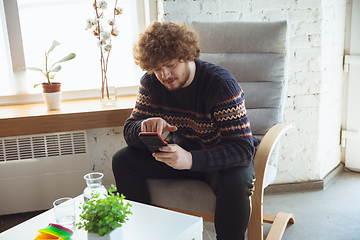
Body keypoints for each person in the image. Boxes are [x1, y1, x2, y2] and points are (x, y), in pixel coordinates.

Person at [112, 21, 258, 240]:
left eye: (170, 65)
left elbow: (243, 150)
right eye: (157, 68)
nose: (164, 74)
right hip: (179, 154)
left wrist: (191, 159)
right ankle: (143, 233)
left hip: (219, 160)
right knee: (123, 159)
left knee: (236, 181)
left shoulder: (220, 85)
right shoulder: (151, 83)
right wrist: (143, 126)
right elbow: (129, 131)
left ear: (187, 56)